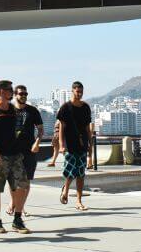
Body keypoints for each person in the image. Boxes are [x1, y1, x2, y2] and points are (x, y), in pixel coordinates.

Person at [0, 80, 30, 234]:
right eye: (10, 90)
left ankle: (17, 220)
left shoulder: (11, 109)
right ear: (2, 91)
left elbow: (17, 129)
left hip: (15, 154)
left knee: (22, 185)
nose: (12, 92)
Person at [57, 81, 94, 210]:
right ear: (72, 91)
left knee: (81, 173)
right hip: (69, 144)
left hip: (82, 143)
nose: (79, 94)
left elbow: (87, 128)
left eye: (81, 92)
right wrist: (61, 145)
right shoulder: (65, 108)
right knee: (70, 171)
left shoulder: (85, 107)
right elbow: (62, 127)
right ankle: (65, 190)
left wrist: (90, 144)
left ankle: (79, 201)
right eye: (77, 92)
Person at [6, 84, 42, 218]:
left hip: (29, 151)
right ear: (15, 95)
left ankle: (20, 207)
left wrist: (37, 143)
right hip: (12, 150)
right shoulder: (8, 110)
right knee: (12, 180)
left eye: (26, 94)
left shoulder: (33, 111)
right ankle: (14, 202)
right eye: (21, 94)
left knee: (25, 181)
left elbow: (41, 130)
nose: (24, 96)